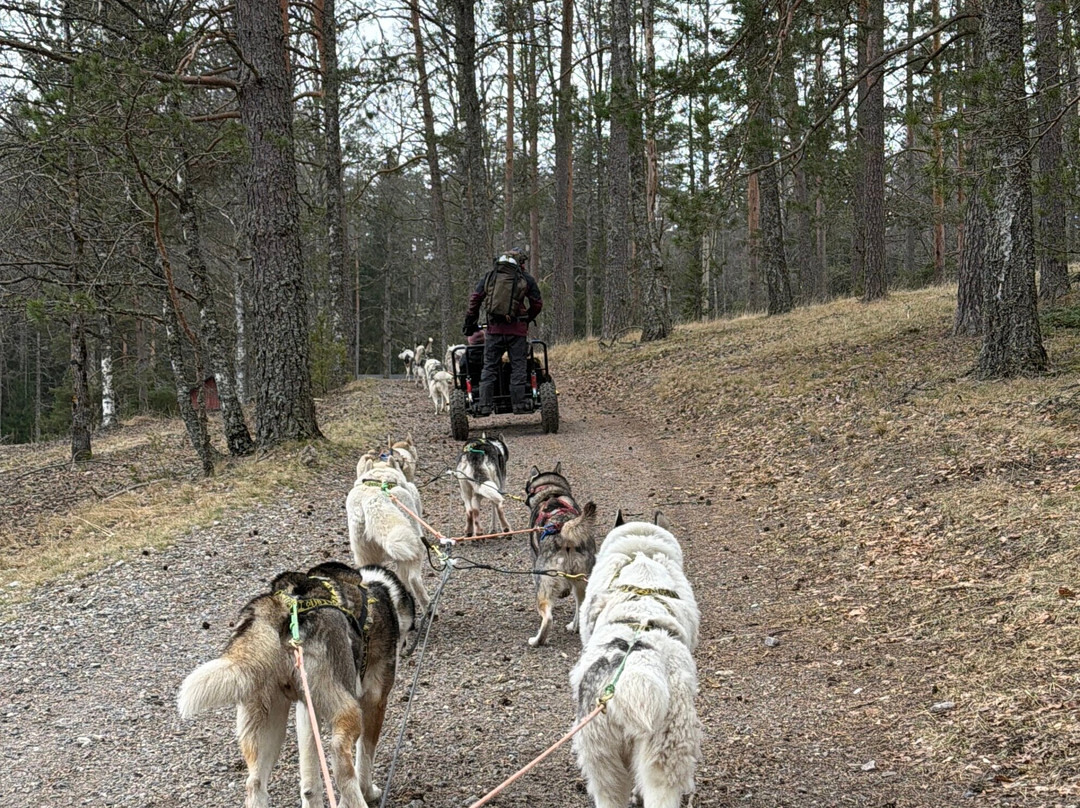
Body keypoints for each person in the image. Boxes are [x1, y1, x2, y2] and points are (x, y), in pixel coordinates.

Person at [463, 247, 543, 415]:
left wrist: (471, 320)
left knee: (489, 367)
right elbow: (537, 303)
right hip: (517, 331)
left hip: (494, 330)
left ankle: (484, 405)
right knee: (518, 367)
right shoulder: (526, 279)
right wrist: (526, 318)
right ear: (521, 263)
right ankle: (519, 404)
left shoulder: (490, 277)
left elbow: (475, 298)